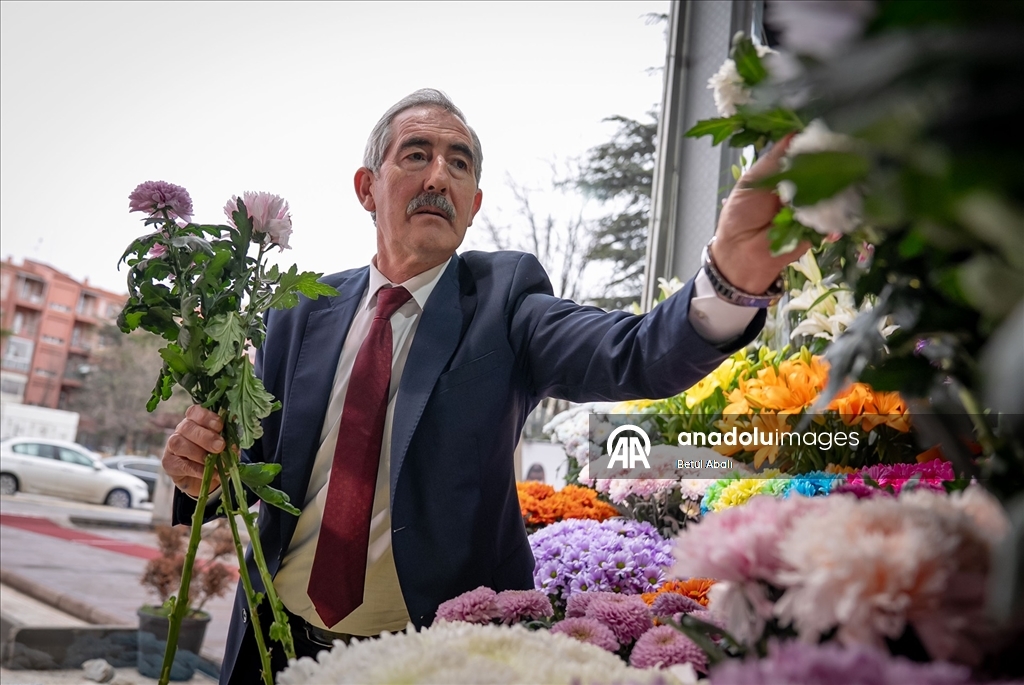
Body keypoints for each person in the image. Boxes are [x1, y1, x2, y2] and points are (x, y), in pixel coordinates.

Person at [163, 88, 805, 683]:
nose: (439, 176)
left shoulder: (505, 302)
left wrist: (728, 281)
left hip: (431, 657)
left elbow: (633, 354)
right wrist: (203, 472)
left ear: (473, 205)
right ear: (367, 187)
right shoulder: (300, 310)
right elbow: (256, 464)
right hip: (277, 647)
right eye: (416, 155)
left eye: (460, 164)